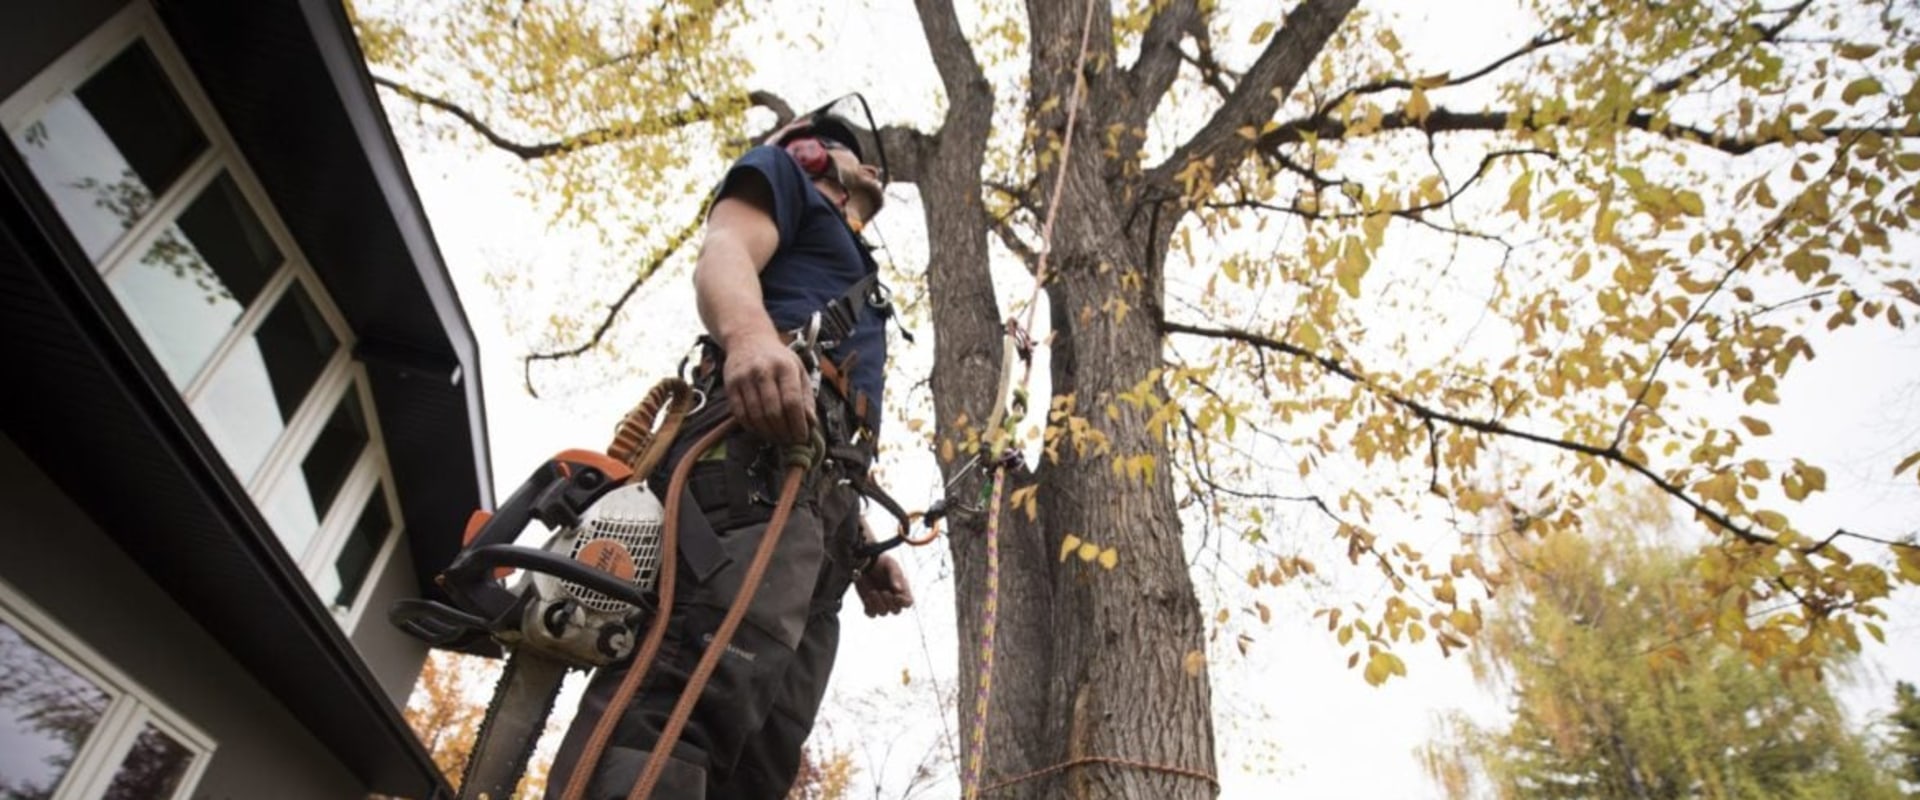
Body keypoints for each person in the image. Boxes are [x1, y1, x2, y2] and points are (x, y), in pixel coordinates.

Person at [545, 109, 915, 800]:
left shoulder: (860, 271)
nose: (873, 168)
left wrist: (860, 544)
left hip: (823, 504)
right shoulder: (781, 177)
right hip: (757, 451)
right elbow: (725, 252)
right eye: (855, 152)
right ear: (813, 151)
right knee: (694, 689)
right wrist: (748, 336)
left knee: (764, 751)